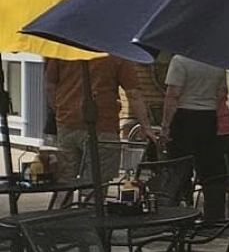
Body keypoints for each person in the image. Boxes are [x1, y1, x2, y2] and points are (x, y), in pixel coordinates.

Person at [44, 55, 159, 185]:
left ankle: (63, 204)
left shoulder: (66, 48)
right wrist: (146, 127)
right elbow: (133, 94)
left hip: (67, 124)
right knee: (95, 184)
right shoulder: (115, 53)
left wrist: (59, 110)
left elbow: (50, 85)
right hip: (103, 126)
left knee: (65, 182)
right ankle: (89, 204)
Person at [162, 52, 229, 220]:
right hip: (208, 117)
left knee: (178, 168)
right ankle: (214, 216)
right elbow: (222, 94)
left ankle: (171, 213)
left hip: (184, 116)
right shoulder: (218, 62)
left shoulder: (180, 60)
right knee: (211, 169)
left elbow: (173, 95)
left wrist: (165, 126)